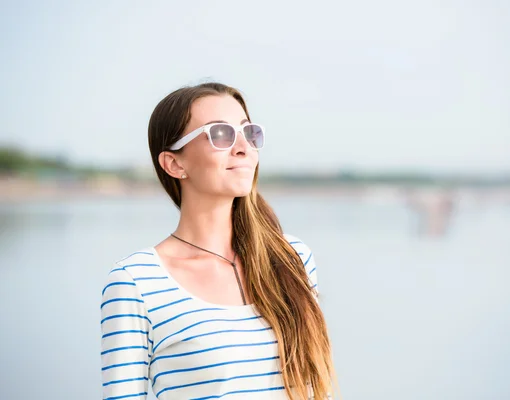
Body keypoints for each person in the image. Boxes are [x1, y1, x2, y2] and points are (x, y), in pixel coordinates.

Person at [100, 82, 336, 400]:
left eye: (248, 133)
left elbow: (314, 388)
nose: (243, 147)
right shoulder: (136, 282)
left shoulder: (292, 257)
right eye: (220, 134)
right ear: (174, 163)